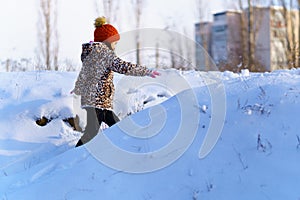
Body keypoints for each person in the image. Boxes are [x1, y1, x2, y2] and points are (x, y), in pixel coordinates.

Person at [72, 17, 160, 147]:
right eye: (114, 42)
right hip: (98, 101)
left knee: (116, 127)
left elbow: (85, 73)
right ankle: (74, 156)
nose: (115, 45)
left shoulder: (91, 53)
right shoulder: (105, 55)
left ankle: (125, 146)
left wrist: (78, 87)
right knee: (94, 132)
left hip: (95, 101)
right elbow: (123, 66)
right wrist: (145, 71)